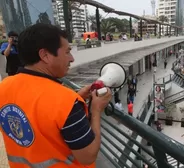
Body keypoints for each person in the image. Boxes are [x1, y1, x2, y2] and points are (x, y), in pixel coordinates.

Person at [0, 24, 112, 167]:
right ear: (45, 55)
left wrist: (76, 96)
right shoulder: (66, 102)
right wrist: (96, 110)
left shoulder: (4, 87)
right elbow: (87, 156)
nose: (71, 59)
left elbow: (36, 118)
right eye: (67, 52)